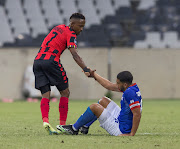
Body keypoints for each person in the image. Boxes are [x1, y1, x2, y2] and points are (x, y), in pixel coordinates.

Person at [33, 13, 93, 135]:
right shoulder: (71, 34)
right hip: (51, 61)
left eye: (83, 26)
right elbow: (75, 55)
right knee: (65, 92)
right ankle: (62, 125)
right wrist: (86, 69)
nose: (81, 29)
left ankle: (45, 120)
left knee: (46, 93)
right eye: (80, 26)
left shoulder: (58, 27)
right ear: (72, 24)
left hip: (38, 61)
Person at [56, 71, 142, 136]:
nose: (116, 85)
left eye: (118, 83)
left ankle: (74, 128)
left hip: (120, 129)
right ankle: (85, 126)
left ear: (125, 84)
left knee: (94, 107)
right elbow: (108, 85)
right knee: (103, 101)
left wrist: (131, 134)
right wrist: (94, 75)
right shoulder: (132, 87)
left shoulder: (129, 93)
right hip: (121, 118)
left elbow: (137, 114)